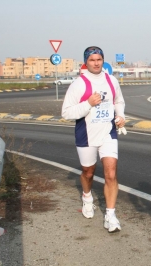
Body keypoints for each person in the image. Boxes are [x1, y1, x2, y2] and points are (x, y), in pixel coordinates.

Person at [62, 46, 126, 233]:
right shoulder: (79, 84)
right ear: (86, 62)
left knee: (111, 174)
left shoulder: (111, 80)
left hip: (108, 133)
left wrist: (120, 116)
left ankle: (111, 215)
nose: (96, 63)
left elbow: (119, 101)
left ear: (103, 61)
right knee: (88, 172)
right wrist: (88, 104)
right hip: (86, 134)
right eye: (92, 60)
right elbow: (66, 112)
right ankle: (87, 197)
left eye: (99, 59)